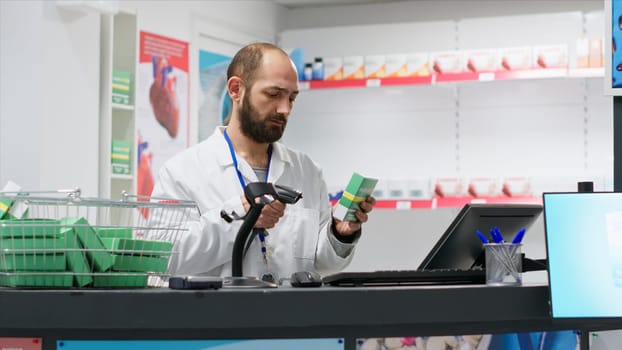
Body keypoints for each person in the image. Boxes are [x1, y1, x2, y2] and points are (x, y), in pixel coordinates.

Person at [150, 42, 375, 282]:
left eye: (292, 98)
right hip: (219, 317)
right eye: (273, 94)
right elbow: (164, 259)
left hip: (290, 316)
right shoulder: (182, 172)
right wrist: (238, 219)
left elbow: (321, 263)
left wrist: (339, 234)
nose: (284, 109)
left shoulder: (307, 171)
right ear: (236, 89)